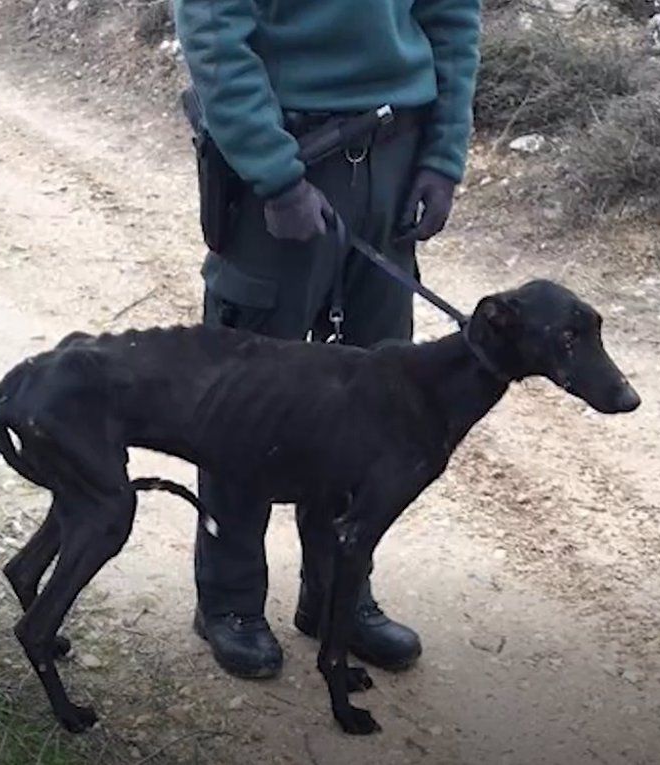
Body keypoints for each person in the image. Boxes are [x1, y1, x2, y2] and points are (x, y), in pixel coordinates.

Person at [172, 0, 483, 678]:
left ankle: (338, 594)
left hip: (396, 156)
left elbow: (452, 16)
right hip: (288, 158)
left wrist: (443, 157)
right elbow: (214, 31)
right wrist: (274, 173)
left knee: (374, 407)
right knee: (245, 403)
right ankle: (229, 601)